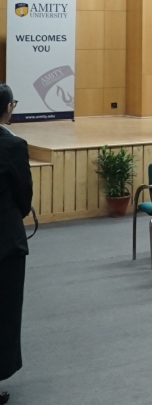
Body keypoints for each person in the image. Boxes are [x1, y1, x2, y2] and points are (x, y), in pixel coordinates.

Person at [0, 84, 33, 403]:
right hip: (4, 242)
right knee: (4, 312)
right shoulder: (13, 146)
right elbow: (24, 197)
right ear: (8, 107)